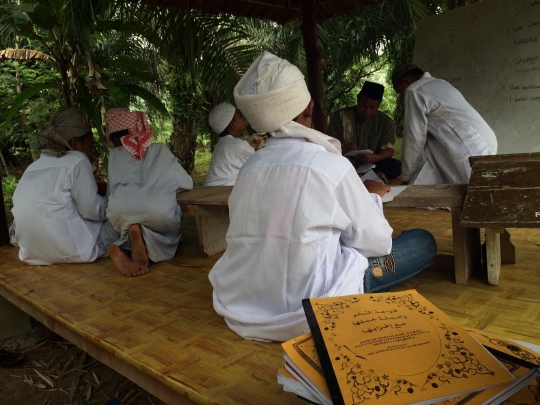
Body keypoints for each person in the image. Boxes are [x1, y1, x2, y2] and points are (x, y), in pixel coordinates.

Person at [208, 51, 437, 342]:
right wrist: (372, 198)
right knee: (421, 241)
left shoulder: (248, 169)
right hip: (318, 306)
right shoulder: (330, 166)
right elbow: (377, 243)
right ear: (310, 108)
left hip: (244, 302)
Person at [10, 107, 108, 265]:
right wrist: (113, 202)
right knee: (120, 222)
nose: (91, 154)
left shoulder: (33, 167)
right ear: (74, 142)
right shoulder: (78, 159)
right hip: (73, 251)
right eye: (90, 147)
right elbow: (92, 210)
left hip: (31, 253)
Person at [104, 108, 193, 277]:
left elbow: (111, 192)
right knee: (171, 234)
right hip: (157, 212)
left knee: (124, 226)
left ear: (114, 137)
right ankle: (142, 238)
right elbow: (187, 183)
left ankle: (126, 242)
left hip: (120, 213)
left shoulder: (114, 156)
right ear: (142, 128)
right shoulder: (161, 150)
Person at [392, 63, 498, 185]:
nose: (401, 96)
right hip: (481, 139)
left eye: (399, 91)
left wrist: (406, 176)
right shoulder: (441, 84)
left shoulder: (413, 90)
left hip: (468, 146)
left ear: (407, 82)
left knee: (476, 193)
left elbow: (414, 137)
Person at [327, 81, 402, 179]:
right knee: (331, 164)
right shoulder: (340, 116)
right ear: (358, 99)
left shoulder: (385, 121)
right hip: (347, 162)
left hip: (372, 164)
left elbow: (389, 150)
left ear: (379, 105)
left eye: (372, 107)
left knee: (396, 166)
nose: (367, 110)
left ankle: (361, 176)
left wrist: (376, 157)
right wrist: (344, 149)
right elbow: (328, 147)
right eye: (364, 106)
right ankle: (372, 177)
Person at [204, 103, 255, 186]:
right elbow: (259, 163)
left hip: (210, 190)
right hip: (223, 194)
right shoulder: (239, 146)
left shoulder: (220, 144)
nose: (243, 118)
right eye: (239, 116)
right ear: (233, 125)